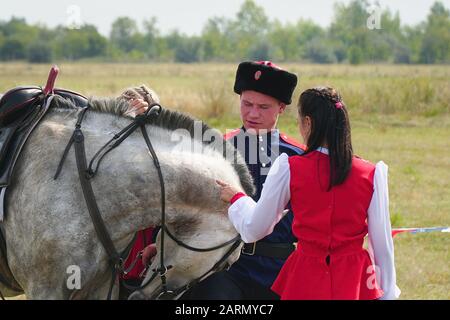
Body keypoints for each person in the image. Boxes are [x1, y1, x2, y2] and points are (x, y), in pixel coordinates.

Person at [130, 61, 304, 300]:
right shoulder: (213, 148)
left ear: (281, 108)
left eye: (264, 107)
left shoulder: (299, 157)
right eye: (247, 104)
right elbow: (185, 201)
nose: (253, 113)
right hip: (221, 265)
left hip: (280, 269)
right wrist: (161, 243)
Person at [216, 86, 401, 300]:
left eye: (299, 121)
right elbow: (382, 247)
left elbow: (254, 229)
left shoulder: (289, 167)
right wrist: (387, 295)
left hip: (305, 277)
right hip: (355, 280)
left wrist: (237, 198)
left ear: (308, 123)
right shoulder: (373, 173)